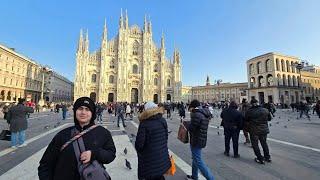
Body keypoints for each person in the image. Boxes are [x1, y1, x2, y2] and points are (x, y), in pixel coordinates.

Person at [38, 97, 116, 179]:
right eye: (80, 108)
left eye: (87, 109)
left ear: (92, 113)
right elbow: (45, 164)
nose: (83, 112)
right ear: (75, 111)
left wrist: (94, 154)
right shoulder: (63, 135)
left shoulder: (102, 133)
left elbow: (111, 155)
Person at [135, 101, 171, 180]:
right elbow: (166, 137)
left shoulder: (144, 123)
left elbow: (139, 145)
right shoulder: (162, 120)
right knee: (159, 175)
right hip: (162, 157)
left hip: (149, 161)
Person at [186, 99, 214, 180]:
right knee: (195, 158)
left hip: (196, 139)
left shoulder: (196, 114)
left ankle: (211, 178)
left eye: (190, 107)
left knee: (198, 160)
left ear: (192, 107)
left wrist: (187, 125)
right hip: (201, 138)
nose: (189, 109)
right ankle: (194, 176)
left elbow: (192, 128)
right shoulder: (204, 113)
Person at [245, 99, 272, 164]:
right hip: (263, 130)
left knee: (255, 145)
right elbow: (269, 119)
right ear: (258, 103)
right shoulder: (265, 110)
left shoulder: (249, 111)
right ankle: (267, 157)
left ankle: (260, 158)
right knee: (264, 143)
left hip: (254, 130)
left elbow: (246, 120)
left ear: (251, 104)